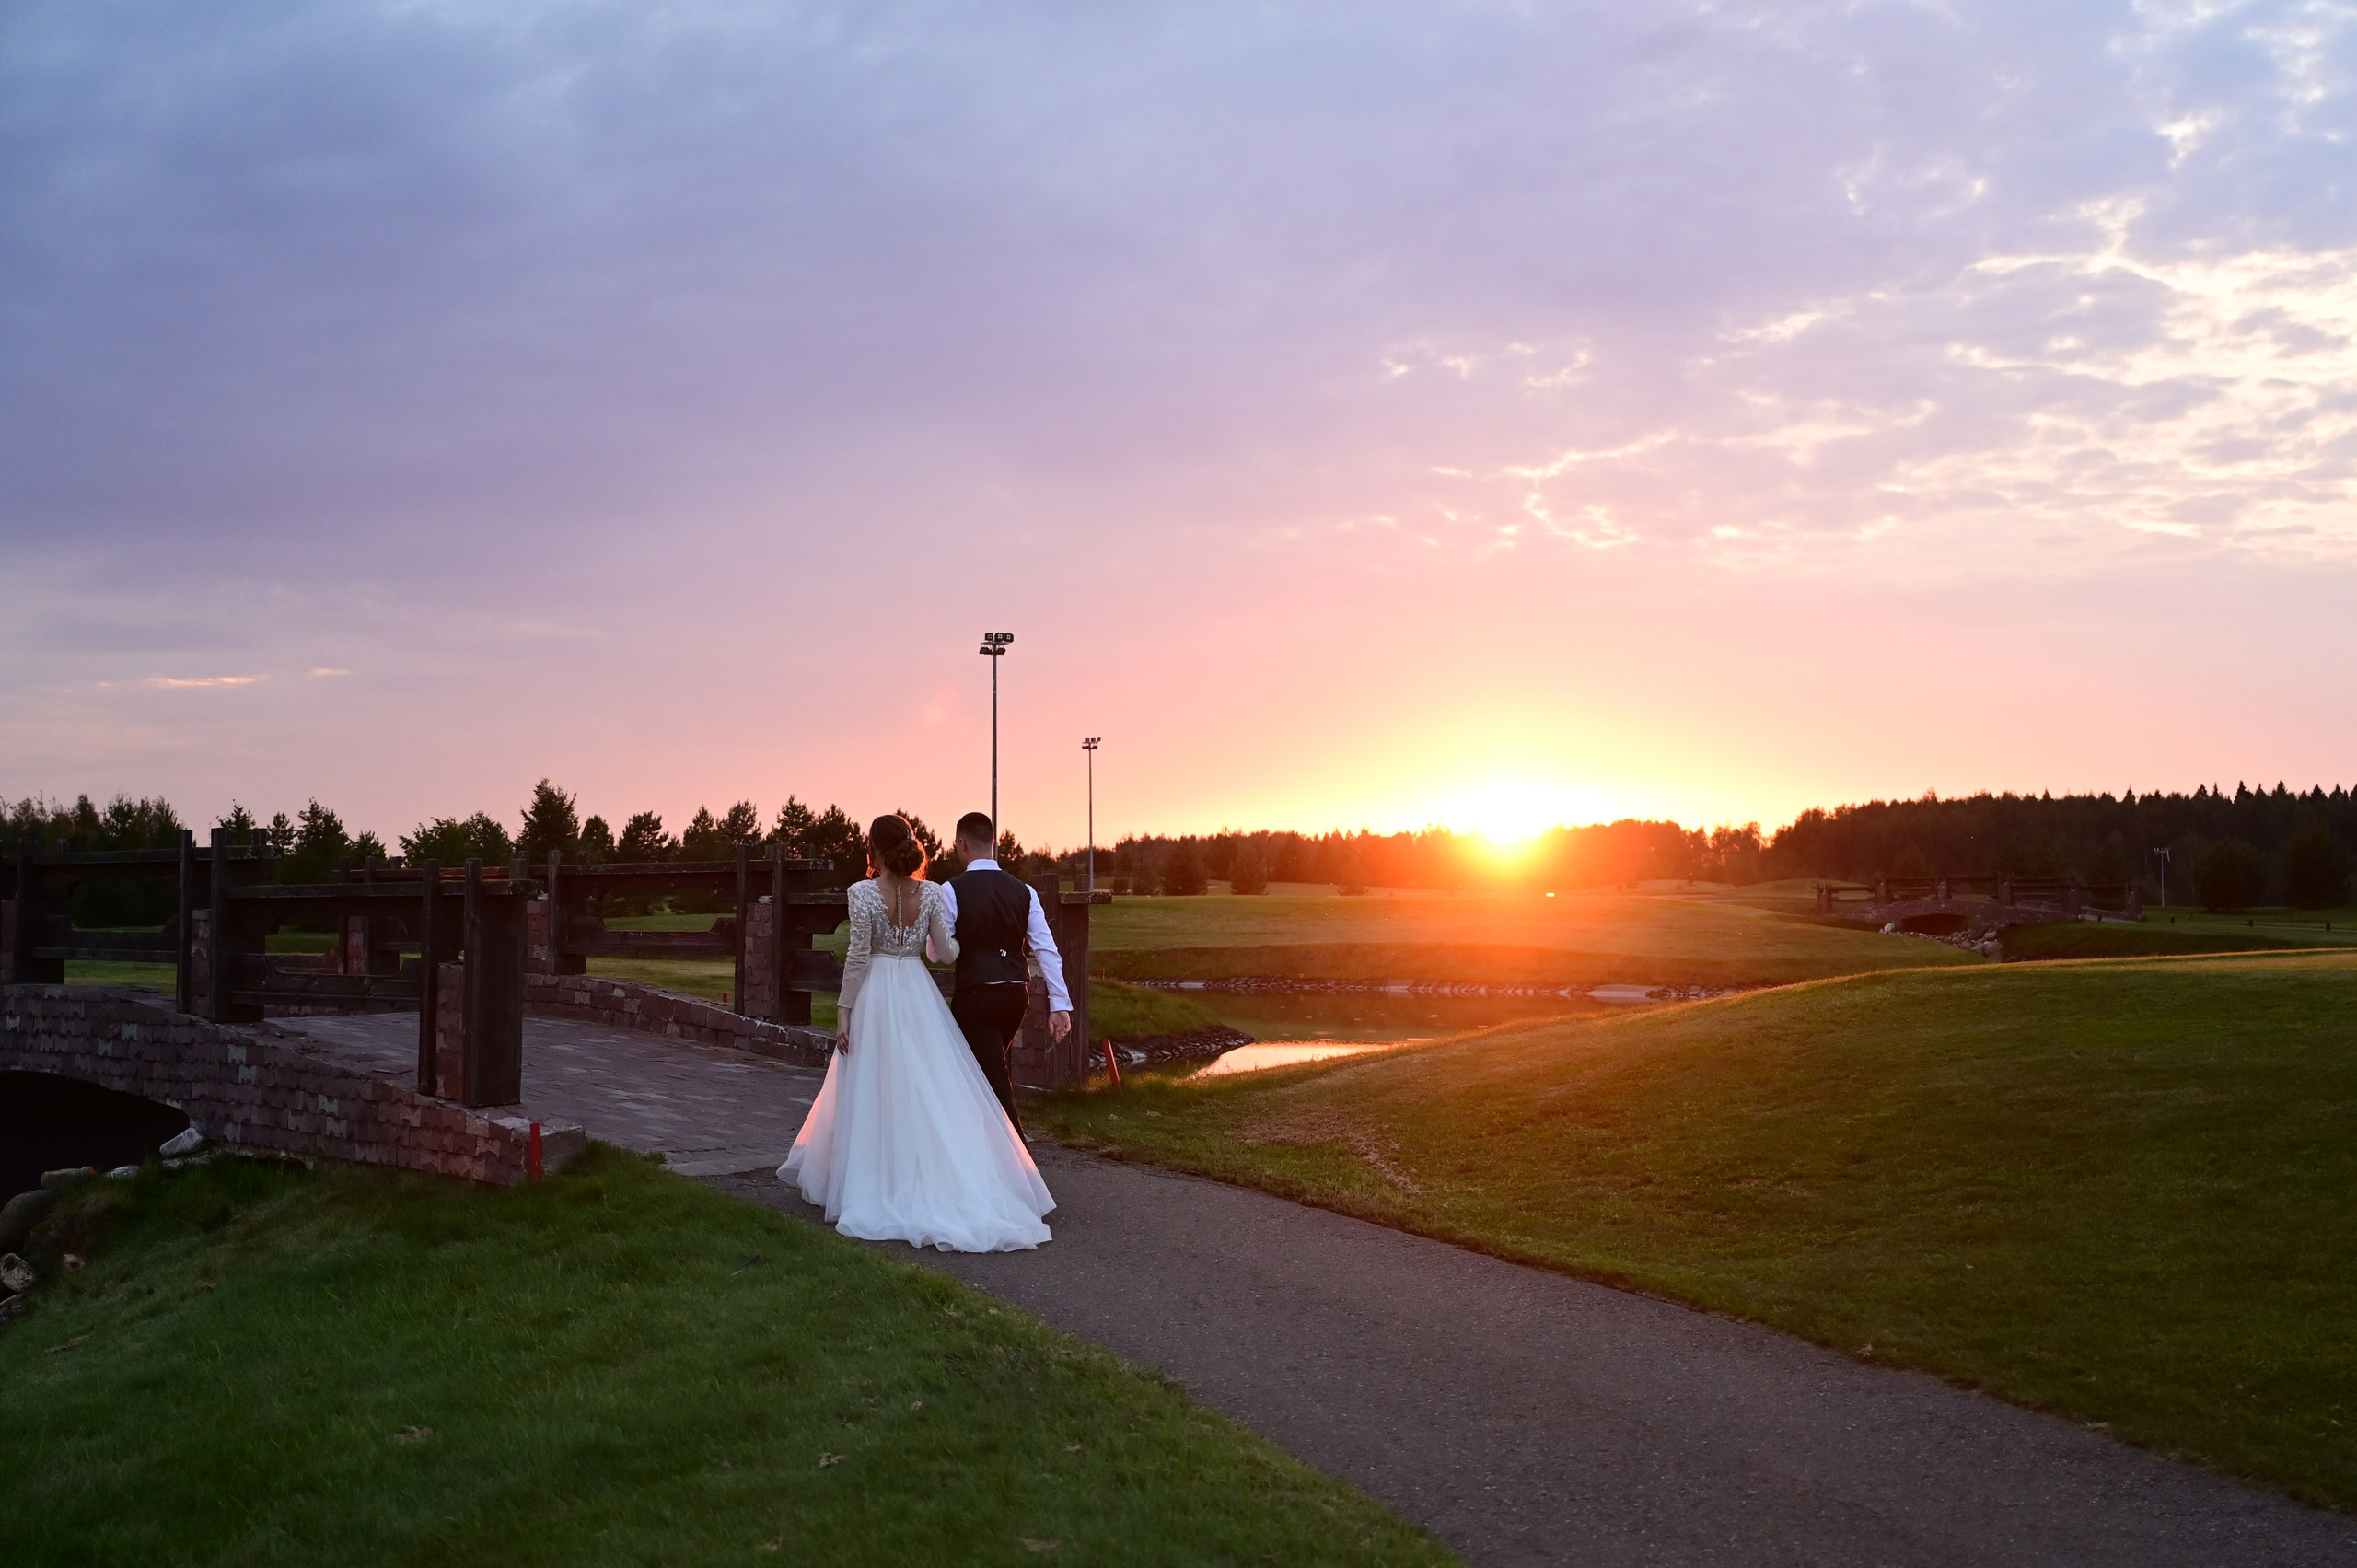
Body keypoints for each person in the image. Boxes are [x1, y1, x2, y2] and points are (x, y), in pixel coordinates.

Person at [779, 814, 1053, 1252]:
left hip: (876, 993)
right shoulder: (928, 893)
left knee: (874, 1081)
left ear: (875, 849)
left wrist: (844, 1011)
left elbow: (858, 956)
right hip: (916, 990)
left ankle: (871, 1177)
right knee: (925, 1084)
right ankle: (935, 1176)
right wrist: (962, 947)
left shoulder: (862, 893)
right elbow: (944, 953)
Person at [942, 811, 1072, 1135]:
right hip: (1016, 997)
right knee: (987, 1075)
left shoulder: (951, 889)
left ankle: (1020, 1167)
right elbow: (1046, 949)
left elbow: (940, 952)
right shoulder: (1024, 891)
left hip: (975, 998)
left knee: (994, 1084)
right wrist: (1060, 1005)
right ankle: (984, 1158)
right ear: (994, 843)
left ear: (961, 844)